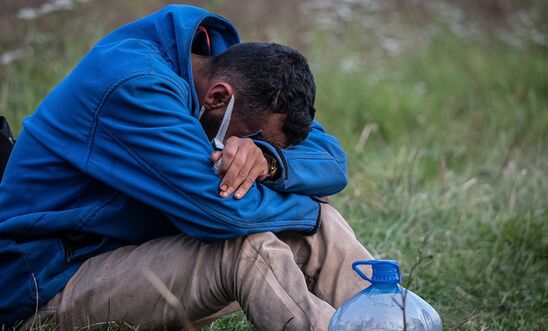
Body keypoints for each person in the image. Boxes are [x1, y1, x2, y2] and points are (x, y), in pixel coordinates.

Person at [0, 5, 374, 330]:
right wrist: (309, 210)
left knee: (317, 224)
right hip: (44, 283)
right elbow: (220, 212)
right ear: (218, 97)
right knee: (246, 249)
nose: (250, 151)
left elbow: (332, 159)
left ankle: (393, 318)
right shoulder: (136, 87)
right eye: (256, 139)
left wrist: (270, 160)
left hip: (117, 250)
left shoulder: (230, 75)